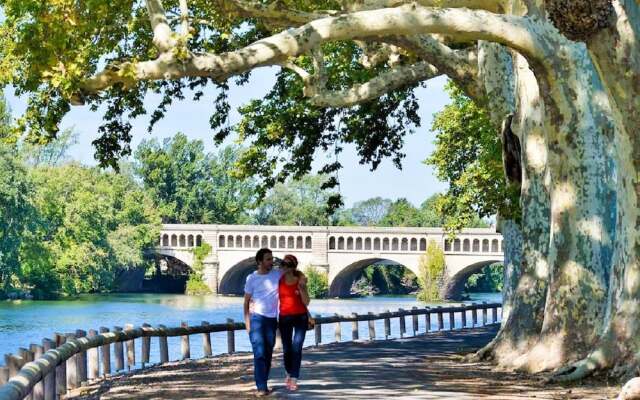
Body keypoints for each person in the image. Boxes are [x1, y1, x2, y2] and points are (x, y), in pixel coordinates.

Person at [244, 248, 282, 396]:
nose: (271, 261)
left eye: (272, 259)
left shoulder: (277, 275)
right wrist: (247, 322)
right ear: (260, 261)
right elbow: (246, 302)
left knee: (267, 353)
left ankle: (263, 383)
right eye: (268, 259)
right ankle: (261, 387)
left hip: (272, 320)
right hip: (257, 319)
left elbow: (292, 270)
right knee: (259, 353)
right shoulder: (252, 278)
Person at [278, 254, 312, 391]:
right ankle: (288, 372)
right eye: (283, 265)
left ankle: (294, 379)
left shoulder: (300, 281)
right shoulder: (278, 279)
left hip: (300, 317)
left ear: (292, 267)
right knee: (287, 349)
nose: (283, 267)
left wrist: (302, 288)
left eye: (286, 265)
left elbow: (307, 302)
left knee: (297, 348)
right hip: (284, 317)